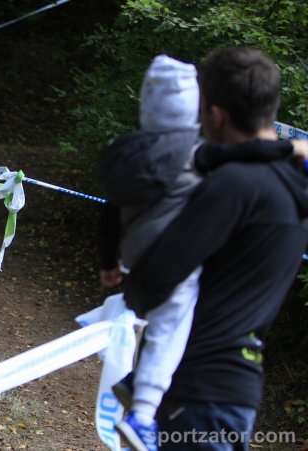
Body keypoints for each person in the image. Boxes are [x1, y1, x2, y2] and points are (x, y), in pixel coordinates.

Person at [97, 54, 308, 451]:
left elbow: (158, 276)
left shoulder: (230, 184)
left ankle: (141, 394)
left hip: (195, 390)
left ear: (216, 112)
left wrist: (125, 276)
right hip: (238, 382)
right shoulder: (294, 190)